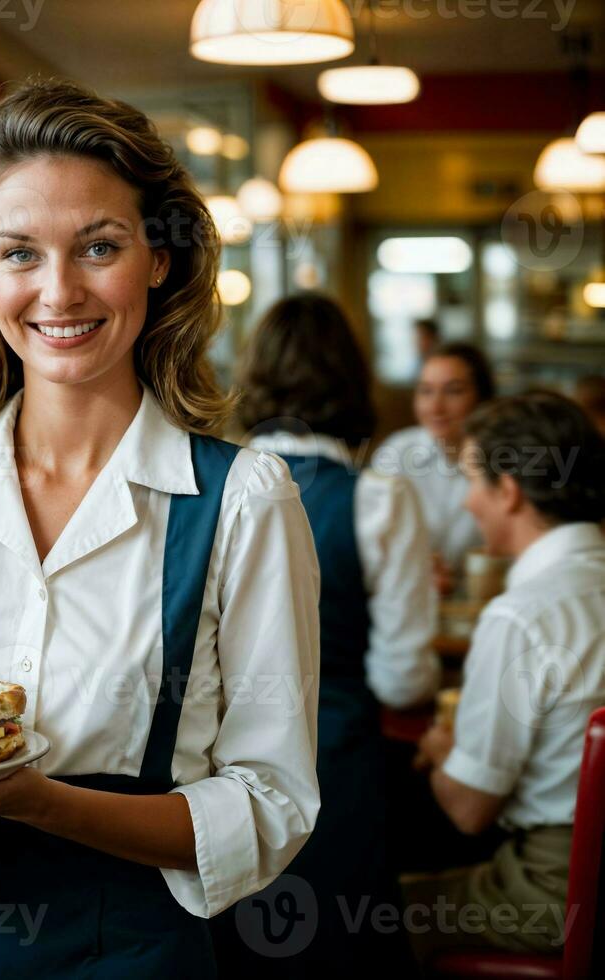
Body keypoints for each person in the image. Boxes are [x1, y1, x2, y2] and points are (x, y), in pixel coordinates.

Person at [0, 78, 321, 977]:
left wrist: (38, 803)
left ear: (160, 259)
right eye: (20, 253)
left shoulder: (244, 499)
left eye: (99, 246)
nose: (58, 292)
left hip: (125, 946)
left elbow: (270, 806)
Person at [207, 292, 437, 977]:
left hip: (222, 765)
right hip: (334, 761)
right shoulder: (379, 497)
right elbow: (403, 676)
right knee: (338, 949)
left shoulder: (214, 488)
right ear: (351, 380)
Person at [402, 392, 605, 963]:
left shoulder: (522, 615)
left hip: (556, 885)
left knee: (376, 916)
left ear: (509, 489)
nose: (467, 502)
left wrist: (442, 746)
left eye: (472, 480)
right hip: (567, 870)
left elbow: (468, 810)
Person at [374, 342, 496, 594]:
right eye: (426, 391)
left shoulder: (503, 458)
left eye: (453, 391)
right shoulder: (396, 453)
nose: (436, 407)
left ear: (481, 397)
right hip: (408, 597)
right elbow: (373, 543)